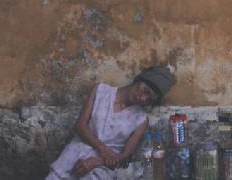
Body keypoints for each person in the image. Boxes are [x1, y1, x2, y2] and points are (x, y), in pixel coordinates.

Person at [45, 66, 175, 180]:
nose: (143, 98)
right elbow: (80, 126)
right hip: (76, 151)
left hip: (105, 165)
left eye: (149, 99)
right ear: (140, 80)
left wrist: (97, 161)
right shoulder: (101, 91)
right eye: (145, 90)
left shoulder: (141, 120)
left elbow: (125, 156)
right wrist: (103, 149)